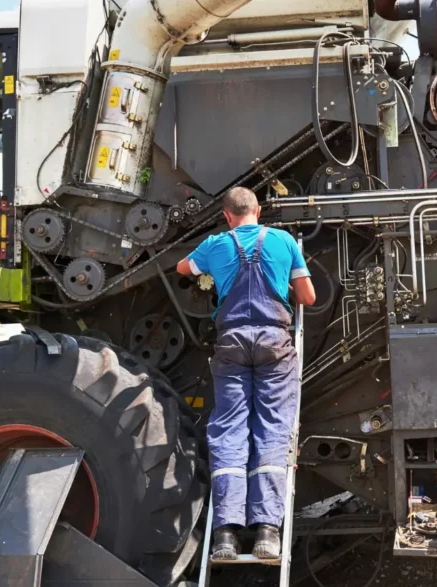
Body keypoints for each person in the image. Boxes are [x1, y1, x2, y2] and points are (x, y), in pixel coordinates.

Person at [176, 187, 316, 560]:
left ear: (227, 216)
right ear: (258, 210)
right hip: (274, 346)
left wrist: (210, 270)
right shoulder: (283, 241)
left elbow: (182, 269)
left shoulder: (216, 244)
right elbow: (308, 297)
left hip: (232, 345)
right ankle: (268, 532)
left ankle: (224, 534)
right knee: (272, 428)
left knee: (230, 431)